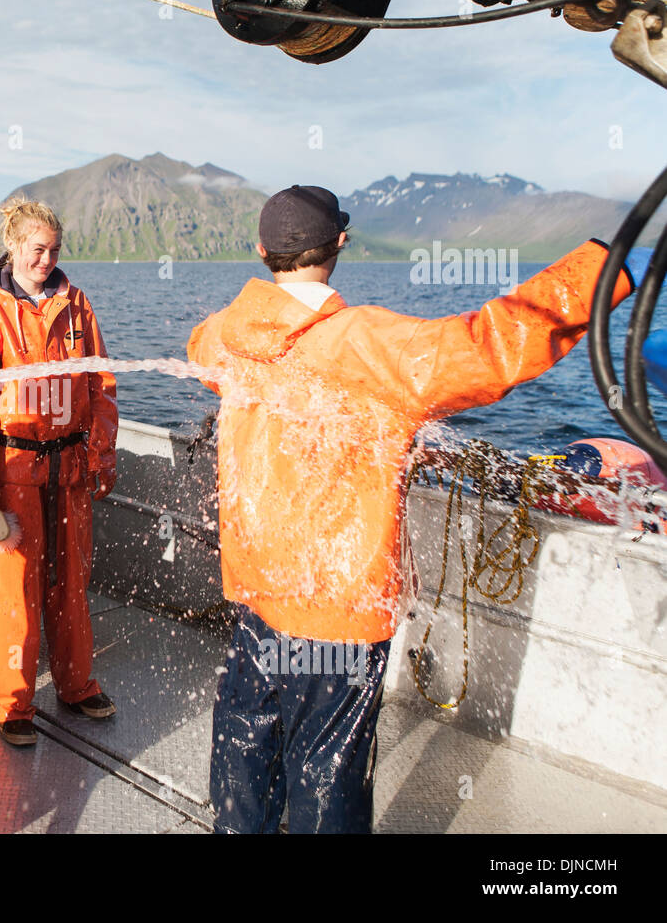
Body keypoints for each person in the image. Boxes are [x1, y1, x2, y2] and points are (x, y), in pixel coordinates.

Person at [187, 185, 635, 833]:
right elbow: (490, 349)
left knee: (245, 752)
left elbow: (204, 352)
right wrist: (603, 268)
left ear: (262, 251)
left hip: (258, 591)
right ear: (341, 242)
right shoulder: (372, 344)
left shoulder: (223, 335)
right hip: (339, 611)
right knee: (328, 774)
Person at [0, 199, 119, 746]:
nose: (46, 260)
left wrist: (102, 454)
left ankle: (76, 685)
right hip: (12, 475)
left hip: (69, 471)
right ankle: (14, 704)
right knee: (13, 593)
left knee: (71, 585)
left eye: (54, 251)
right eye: (36, 249)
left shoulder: (77, 307)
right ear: (14, 247)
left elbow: (100, 387)